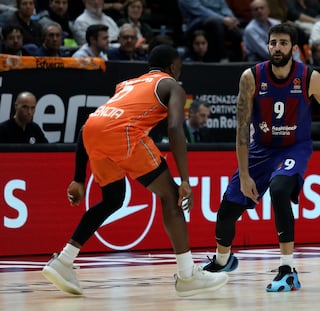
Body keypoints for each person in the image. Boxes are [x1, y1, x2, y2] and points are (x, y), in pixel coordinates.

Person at [41, 44, 228, 297]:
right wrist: (184, 179)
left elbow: (91, 126)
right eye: (179, 68)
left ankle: (63, 261)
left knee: (113, 199)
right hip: (123, 134)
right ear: (173, 67)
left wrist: (78, 178)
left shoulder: (127, 84)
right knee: (172, 196)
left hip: (92, 133)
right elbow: (175, 128)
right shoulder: (172, 85)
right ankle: (187, 275)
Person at [201, 23, 320, 292]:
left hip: (294, 148)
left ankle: (287, 269)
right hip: (262, 149)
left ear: (294, 48)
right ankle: (223, 260)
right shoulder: (251, 77)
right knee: (226, 212)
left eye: (283, 43)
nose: (277, 48)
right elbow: (242, 130)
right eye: (273, 43)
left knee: (280, 190)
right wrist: (245, 174)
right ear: (267, 45)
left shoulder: (309, 77)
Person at [178, 0, 244, 62]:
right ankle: (223, 58)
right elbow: (199, 10)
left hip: (221, 21)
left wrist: (231, 18)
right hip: (197, 21)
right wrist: (223, 19)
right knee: (214, 23)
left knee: (239, 32)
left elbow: (224, 6)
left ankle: (239, 61)